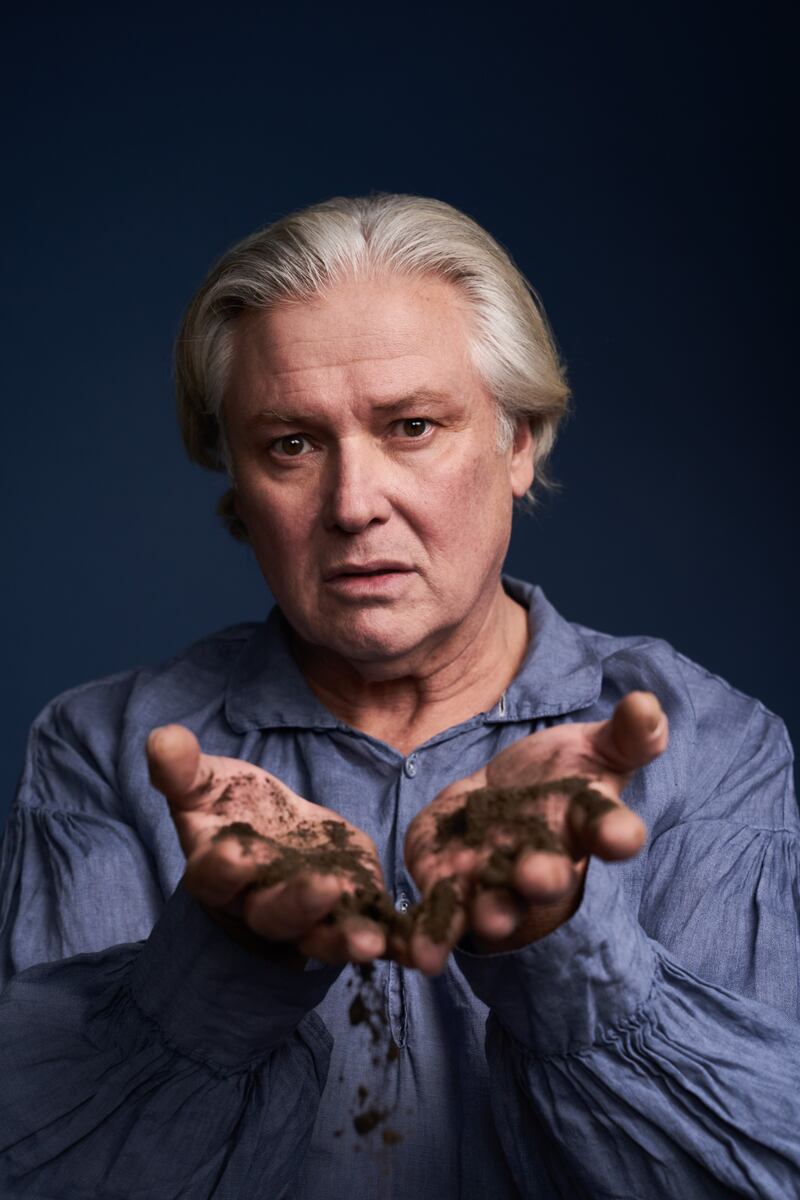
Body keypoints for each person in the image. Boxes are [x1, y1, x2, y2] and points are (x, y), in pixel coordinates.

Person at [0, 193, 798, 1200]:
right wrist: (220, 968)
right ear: (239, 484)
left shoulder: (709, 744)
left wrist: (562, 951)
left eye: (410, 426)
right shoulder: (105, 750)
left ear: (519, 442)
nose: (351, 503)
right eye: (290, 444)